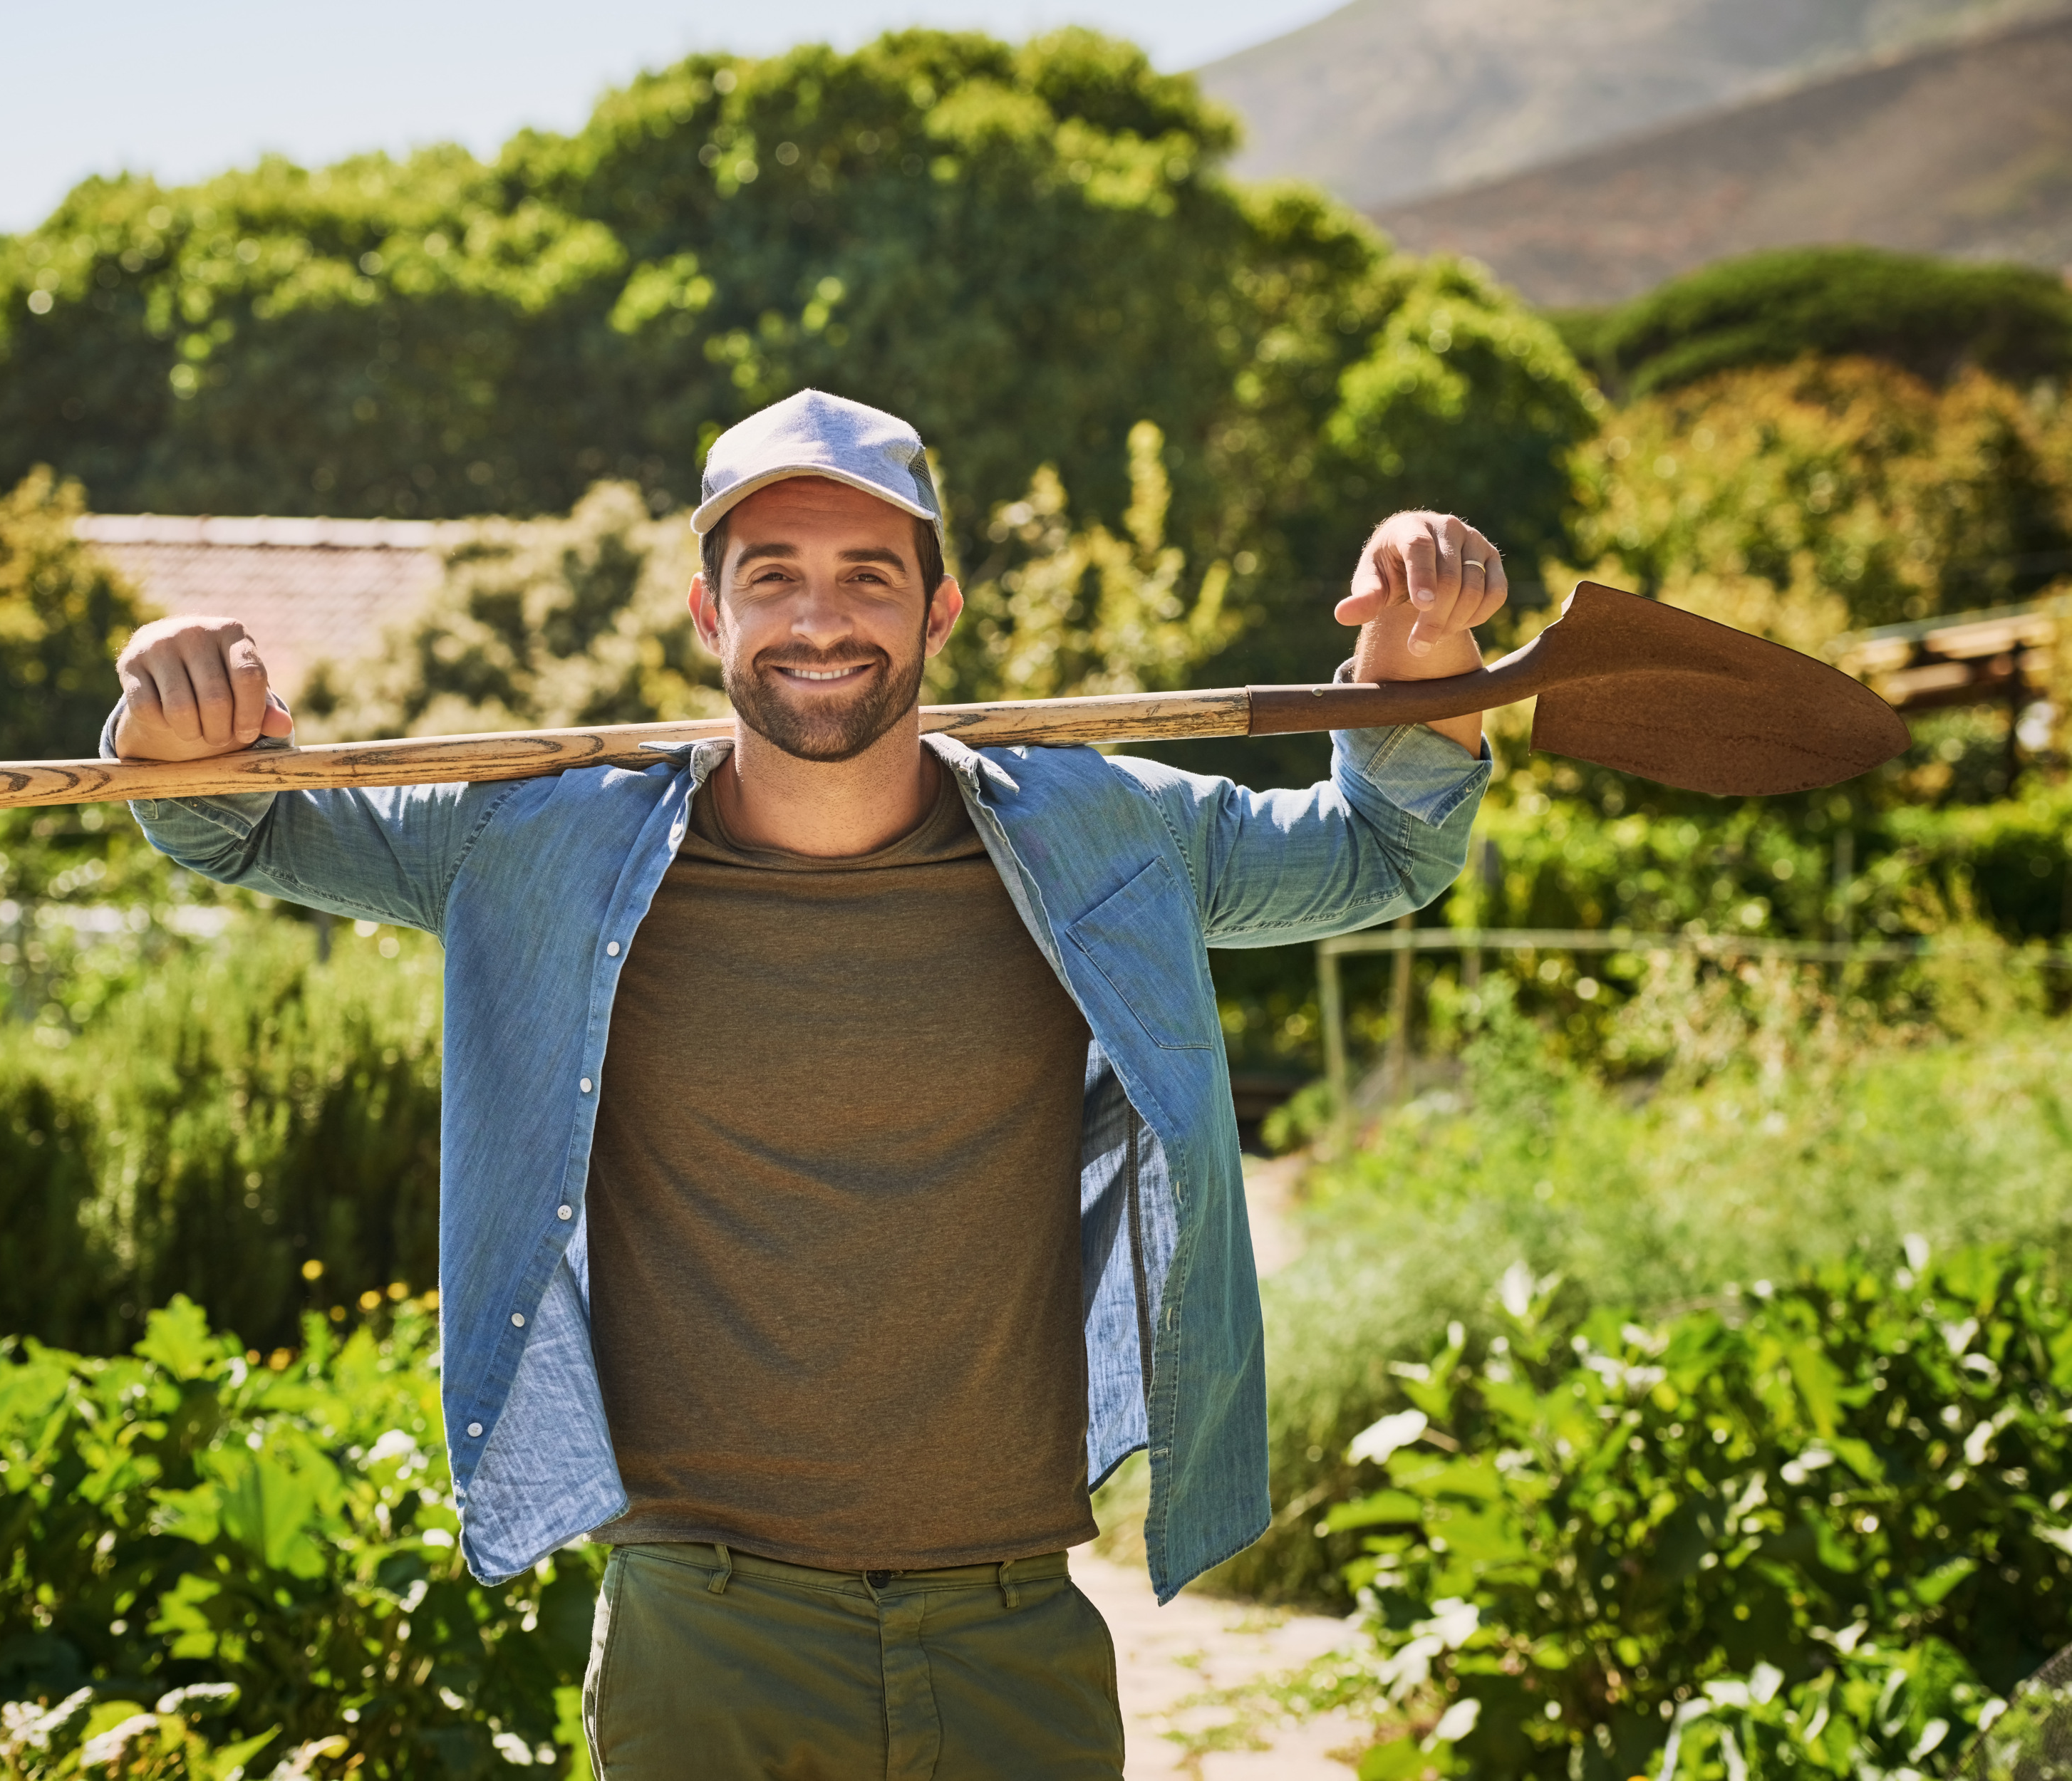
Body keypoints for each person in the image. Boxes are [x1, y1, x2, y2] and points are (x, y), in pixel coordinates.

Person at [107, 390, 1504, 1779]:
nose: (819, 619)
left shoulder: (1102, 833)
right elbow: (239, 823)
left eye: (866, 576)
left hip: (1007, 1624)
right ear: (709, 617)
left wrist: (1414, 648)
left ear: (938, 611)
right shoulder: (540, 840)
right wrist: (171, 722)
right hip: (702, 1637)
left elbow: (1380, 852)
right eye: (771, 576)